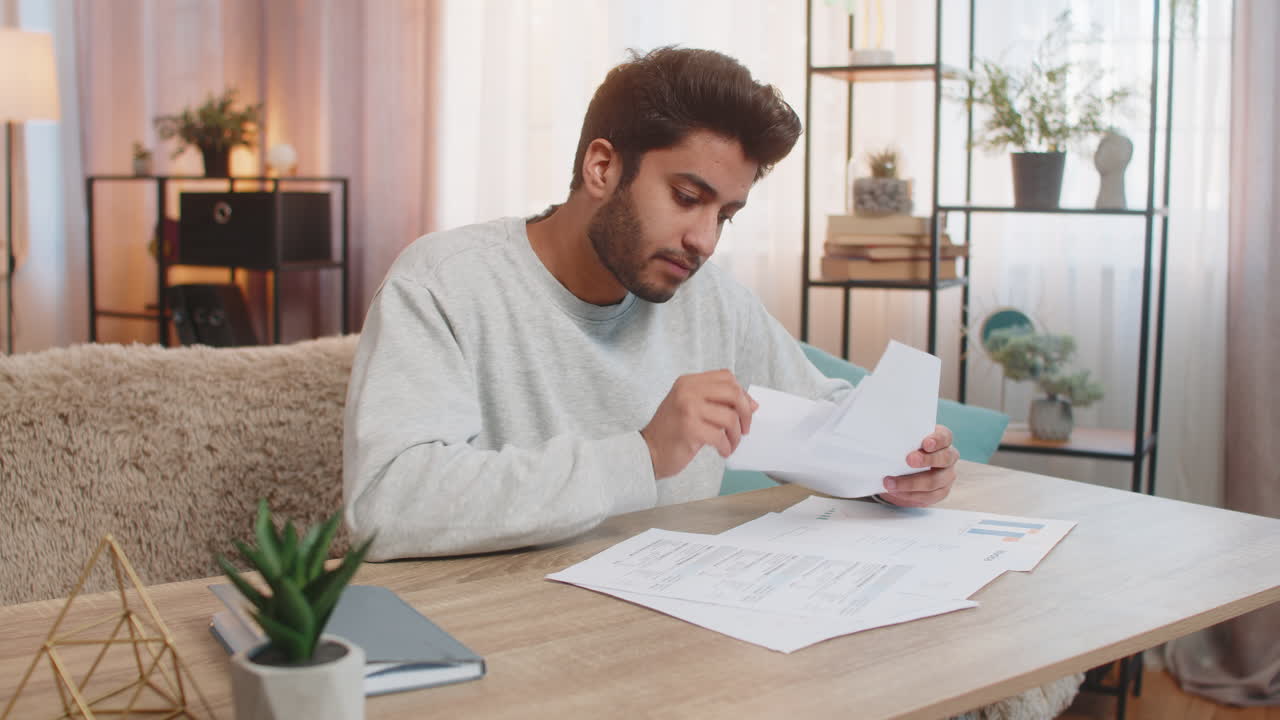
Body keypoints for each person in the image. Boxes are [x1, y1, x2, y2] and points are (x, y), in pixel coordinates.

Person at [343, 46, 959, 561]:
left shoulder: (713, 301)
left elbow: (823, 413)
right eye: (687, 196)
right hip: (507, 640)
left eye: (725, 214)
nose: (705, 240)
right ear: (603, 167)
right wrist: (642, 455)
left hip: (672, 628)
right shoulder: (445, 284)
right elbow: (388, 504)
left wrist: (895, 468)